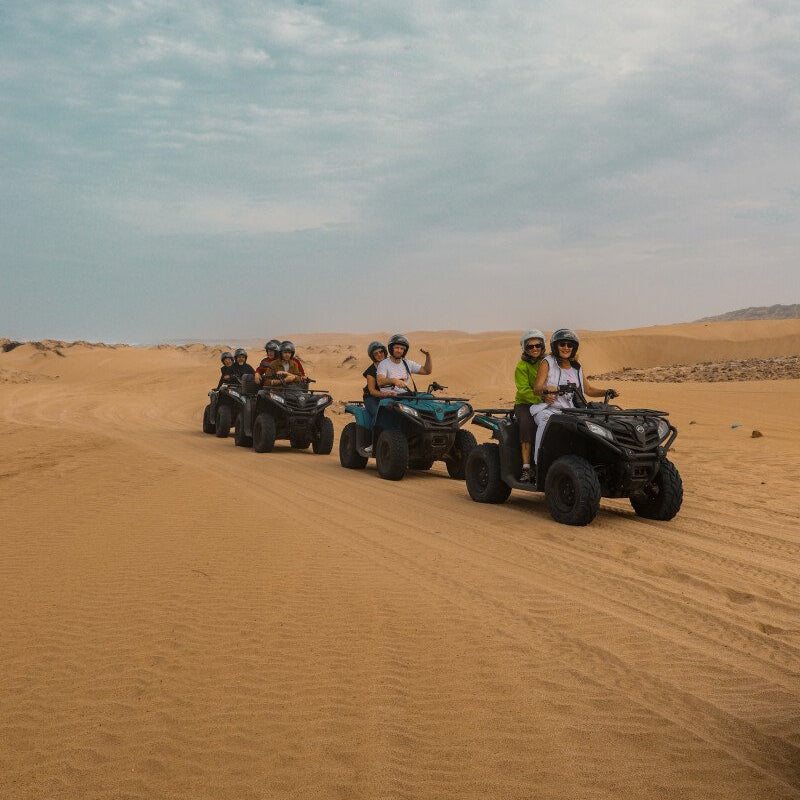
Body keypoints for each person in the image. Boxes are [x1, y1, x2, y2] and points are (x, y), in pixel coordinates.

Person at [532, 328, 618, 467]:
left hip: (572, 412)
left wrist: (606, 391)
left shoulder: (576, 367)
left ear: (574, 347)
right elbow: (537, 388)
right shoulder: (547, 362)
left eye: (569, 345)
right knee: (546, 422)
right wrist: (547, 389)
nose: (566, 347)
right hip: (549, 409)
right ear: (555, 346)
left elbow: (588, 389)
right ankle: (538, 463)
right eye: (562, 344)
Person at [514, 330, 547, 482]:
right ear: (525, 349)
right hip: (525, 404)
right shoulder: (522, 366)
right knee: (527, 427)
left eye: (538, 345)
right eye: (530, 347)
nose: (534, 349)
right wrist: (542, 397)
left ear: (543, 346)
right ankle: (526, 468)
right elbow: (524, 390)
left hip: (548, 402)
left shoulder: (547, 362)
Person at [362, 341, 392, 417]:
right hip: (372, 398)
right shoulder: (371, 371)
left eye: (381, 352)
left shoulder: (391, 365)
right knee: (379, 416)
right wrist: (386, 395)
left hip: (389, 395)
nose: (379, 354)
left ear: (384, 352)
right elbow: (372, 391)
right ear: (373, 356)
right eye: (376, 354)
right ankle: (377, 428)